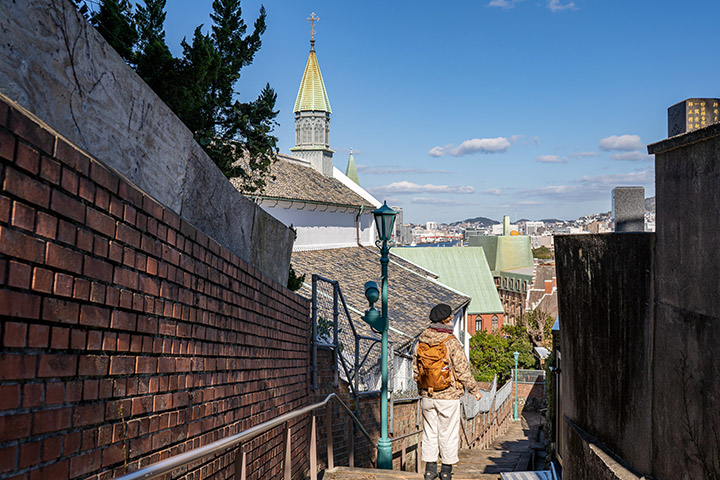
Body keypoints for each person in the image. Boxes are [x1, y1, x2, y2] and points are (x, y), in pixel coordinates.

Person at [413, 303, 483, 480]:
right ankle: (445, 471)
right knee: (448, 433)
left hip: (427, 396)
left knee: (430, 432)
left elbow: (416, 370)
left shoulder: (421, 340)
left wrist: (422, 389)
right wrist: (474, 389)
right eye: (450, 317)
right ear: (445, 320)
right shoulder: (450, 342)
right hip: (448, 396)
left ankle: (429, 470)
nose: (452, 319)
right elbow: (462, 369)